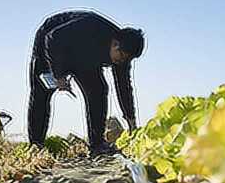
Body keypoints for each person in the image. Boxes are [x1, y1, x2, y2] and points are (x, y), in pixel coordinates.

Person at [28, 10, 144, 152]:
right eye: (121, 57)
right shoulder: (90, 26)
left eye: (127, 60)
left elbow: (124, 87)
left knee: (99, 90)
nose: (121, 62)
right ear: (115, 44)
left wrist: (130, 118)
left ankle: (97, 143)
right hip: (51, 45)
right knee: (41, 93)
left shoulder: (123, 56)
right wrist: (59, 75)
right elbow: (52, 38)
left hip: (84, 59)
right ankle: (36, 145)